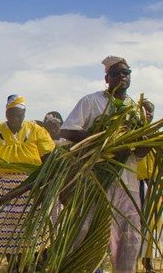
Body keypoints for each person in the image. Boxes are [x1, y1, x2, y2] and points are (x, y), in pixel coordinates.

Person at [60, 56, 147, 273]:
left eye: (126, 73)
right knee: (85, 229)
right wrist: (103, 142)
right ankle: (79, 268)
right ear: (106, 78)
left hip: (128, 180)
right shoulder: (92, 101)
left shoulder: (136, 109)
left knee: (130, 233)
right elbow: (67, 130)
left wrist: (141, 142)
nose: (122, 77)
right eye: (116, 73)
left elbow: (142, 152)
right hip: (96, 177)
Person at [0, 94, 55, 265]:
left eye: (19, 115)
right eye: (12, 114)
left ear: (24, 114)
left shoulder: (37, 131)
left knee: (31, 231)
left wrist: (47, 186)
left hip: (31, 186)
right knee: (8, 232)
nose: (16, 118)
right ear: (6, 114)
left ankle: (30, 264)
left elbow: (48, 161)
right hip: (3, 187)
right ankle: (13, 265)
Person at [137, 100, 156, 273]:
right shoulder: (132, 133)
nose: (147, 114)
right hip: (135, 184)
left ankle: (148, 260)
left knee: (151, 225)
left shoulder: (155, 135)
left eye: (150, 112)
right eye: (143, 111)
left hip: (152, 185)